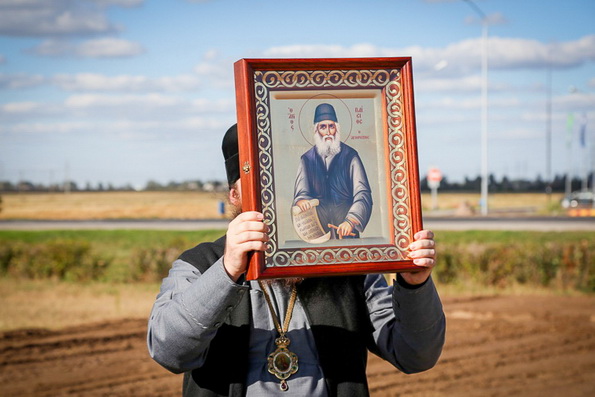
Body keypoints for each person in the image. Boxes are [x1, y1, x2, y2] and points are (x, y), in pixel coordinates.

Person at [147, 124, 445, 397]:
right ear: (235, 194)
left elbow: (415, 355)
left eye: (286, 180)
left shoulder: (348, 263)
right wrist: (227, 270)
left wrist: (415, 285)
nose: (275, 194)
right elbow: (170, 352)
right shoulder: (199, 264)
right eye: (262, 182)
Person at [293, 103, 372, 239]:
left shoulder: (350, 156)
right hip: (319, 230)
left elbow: (362, 193)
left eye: (331, 126)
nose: (328, 132)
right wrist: (301, 200)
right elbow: (301, 193)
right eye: (323, 127)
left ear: (337, 128)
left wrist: (351, 220)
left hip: (346, 229)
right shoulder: (307, 159)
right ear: (316, 130)